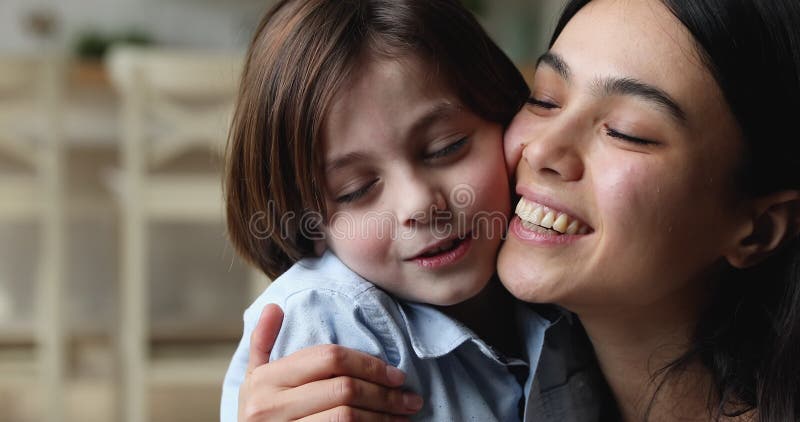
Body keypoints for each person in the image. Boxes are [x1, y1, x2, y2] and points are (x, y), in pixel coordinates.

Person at [236, 0, 800, 421]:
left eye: (628, 132)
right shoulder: (338, 318)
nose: (543, 150)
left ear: (758, 228)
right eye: (546, 99)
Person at [219, 0, 584, 420]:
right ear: (309, 223)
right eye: (356, 190)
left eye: (446, 147)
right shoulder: (329, 322)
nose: (420, 204)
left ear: (507, 118)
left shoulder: (553, 279)